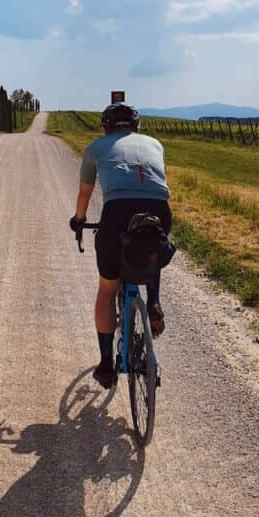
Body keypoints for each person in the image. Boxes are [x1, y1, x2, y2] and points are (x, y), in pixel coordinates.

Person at [70, 102, 171, 389]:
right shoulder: (155, 143)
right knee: (150, 246)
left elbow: (84, 194)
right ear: (137, 127)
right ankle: (153, 303)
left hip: (117, 212)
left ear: (106, 127)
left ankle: (106, 365)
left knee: (107, 289)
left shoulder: (95, 148)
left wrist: (79, 221)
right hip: (159, 208)